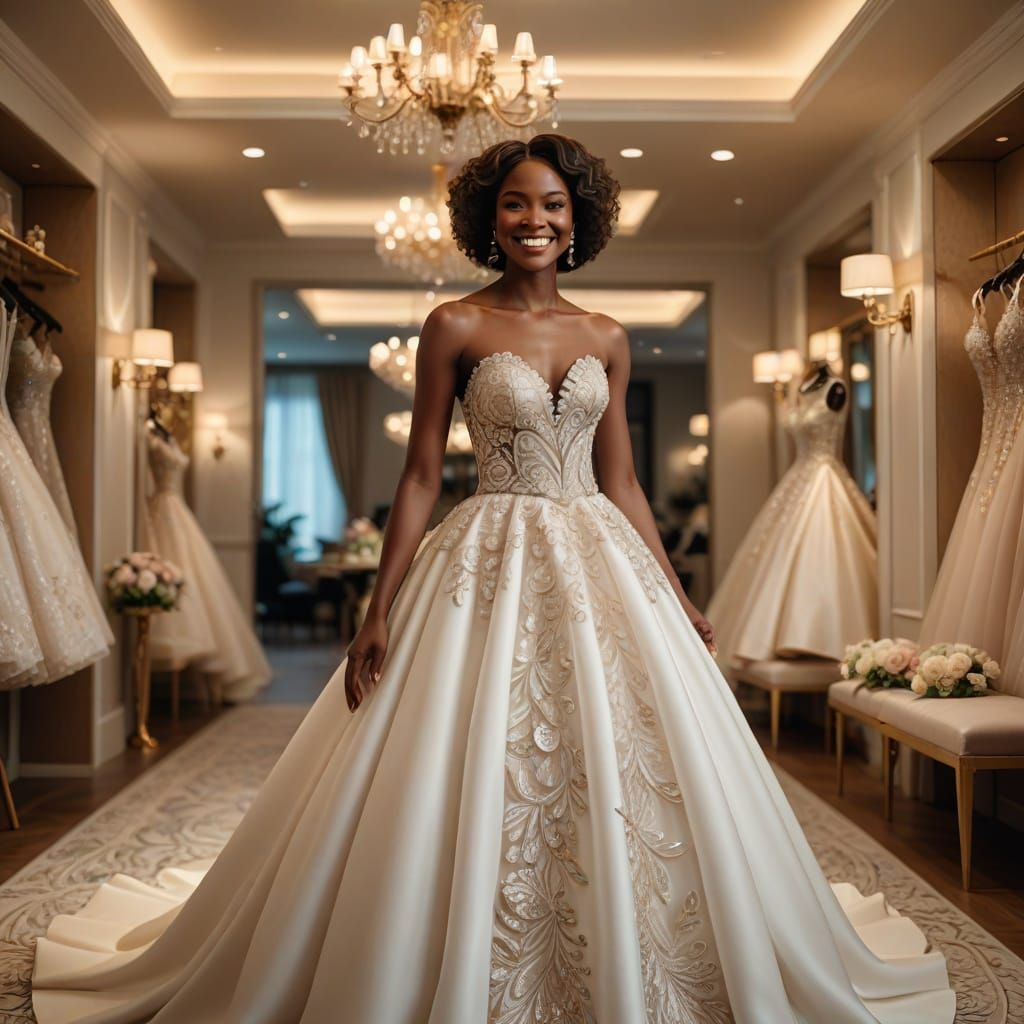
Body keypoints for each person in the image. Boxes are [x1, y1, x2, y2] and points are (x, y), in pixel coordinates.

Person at [32, 134, 953, 1023]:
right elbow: (422, 475)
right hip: (488, 547)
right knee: (464, 752)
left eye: (553, 203)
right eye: (516, 202)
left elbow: (623, 480)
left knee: (624, 755)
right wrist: (378, 610)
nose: (535, 218)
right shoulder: (456, 324)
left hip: (601, 555)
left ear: (579, 218)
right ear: (489, 216)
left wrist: (678, 597)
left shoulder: (608, 334)